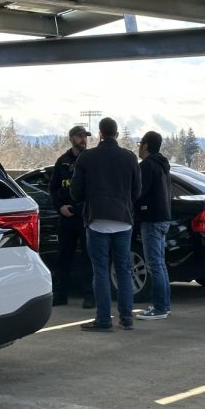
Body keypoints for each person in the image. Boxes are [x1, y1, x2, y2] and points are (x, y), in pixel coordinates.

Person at [70, 117, 141, 331]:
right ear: (116, 134)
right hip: (123, 219)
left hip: (96, 219)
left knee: (100, 271)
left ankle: (103, 319)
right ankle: (126, 317)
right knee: (123, 270)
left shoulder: (86, 158)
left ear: (100, 133)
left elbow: (75, 191)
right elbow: (137, 191)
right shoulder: (129, 158)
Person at [49, 125, 94, 308]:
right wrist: (60, 207)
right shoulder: (62, 161)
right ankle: (60, 295)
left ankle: (90, 296)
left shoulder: (91, 160)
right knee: (63, 257)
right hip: (67, 217)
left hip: (85, 216)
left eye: (85, 136)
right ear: (71, 139)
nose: (83, 139)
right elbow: (53, 189)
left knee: (88, 257)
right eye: (80, 136)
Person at [135, 131, 172, 320]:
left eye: (140, 143)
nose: (138, 147)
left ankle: (159, 308)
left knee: (154, 265)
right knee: (161, 264)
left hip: (151, 219)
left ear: (146, 146)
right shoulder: (163, 165)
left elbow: (139, 192)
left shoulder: (147, 166)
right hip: (164, 218)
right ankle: (164, 304)